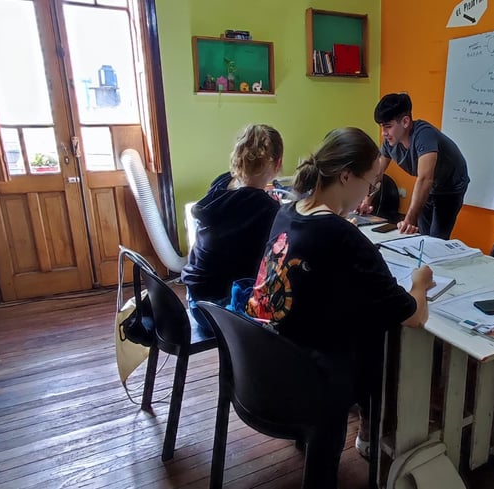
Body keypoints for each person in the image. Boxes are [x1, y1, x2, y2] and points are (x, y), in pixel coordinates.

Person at [245, 127, 433, 489]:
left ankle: (362, 429)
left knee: (361, 320)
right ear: (347, 176)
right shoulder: (344, 237)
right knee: (378, 334)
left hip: (260, 366)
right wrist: (420, 284)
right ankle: (373, 430)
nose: (369, 194)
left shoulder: (286, 211)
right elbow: (413, 315)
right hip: (307, 382)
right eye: (370, 183)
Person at [181, 124, 283, 305]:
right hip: (221, 307)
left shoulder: (221, 182)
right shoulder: (266, 209)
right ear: (278, 163)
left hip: (195, 295)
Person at [365, 92, 470, 239]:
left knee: (436, 238)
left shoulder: (424, 135)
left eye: (388, 126)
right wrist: (366, 200)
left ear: (405, 122)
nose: (384, 133)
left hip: (451, 186)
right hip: (430, 185)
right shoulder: (390, 143)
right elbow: (377, 173)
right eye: (382, 127)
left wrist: (409, 219)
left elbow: (425, 179)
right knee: (422, 234)